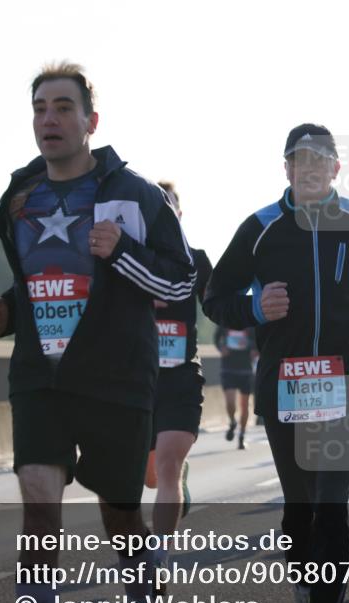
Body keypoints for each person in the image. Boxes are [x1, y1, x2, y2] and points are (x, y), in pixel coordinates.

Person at [0, 62, 195, 603]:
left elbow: (179, 285)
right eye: (40, 108)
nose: (50, 118)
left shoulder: (137, 195)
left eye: (63, 107)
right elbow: (41, 277)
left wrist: (121, 251)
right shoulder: (19, 197)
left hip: (117, 379)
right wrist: (7, 311)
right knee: (39, 508)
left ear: (91, 121)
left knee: (121, 521)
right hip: (40, 379)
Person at [202, 123, 349, 603]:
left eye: (321, 159)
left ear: (337, 168)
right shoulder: (262, 228)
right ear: (287, 169)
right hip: (284, 385)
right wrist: (252, 308)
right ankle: (304, 601)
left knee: (330, 503)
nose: (311, 167)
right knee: (299, 508)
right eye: (300, 159)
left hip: (346, 380)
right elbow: (215, 294)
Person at [145, 182, 213, 554]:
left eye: (170, 207)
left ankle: (161, 554)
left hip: (182, 375)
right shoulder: (127, 258)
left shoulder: (197, 260)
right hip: (138, 379)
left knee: (168, 467)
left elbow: (222, 306)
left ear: (180, 214)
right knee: (153, 478)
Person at [214, 324, 256, 449]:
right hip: (228, 368)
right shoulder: (226, 319)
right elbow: (216, 338)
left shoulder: (251, 323)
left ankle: (242, 435)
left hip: (246, 369)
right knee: (230, 402)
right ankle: (232, 422)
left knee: (244, 405)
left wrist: (254, 350)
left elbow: (258, 340)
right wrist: (221, 348)